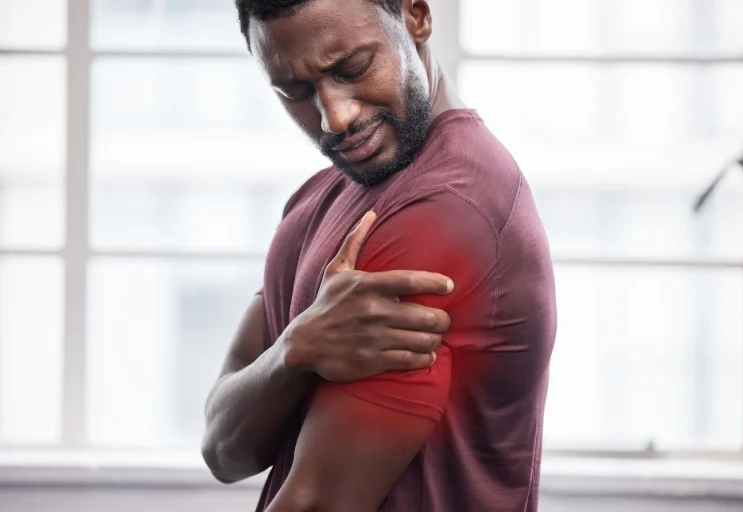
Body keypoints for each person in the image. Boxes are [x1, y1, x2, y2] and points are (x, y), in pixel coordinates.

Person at [201, 0, 557, 510]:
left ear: (416, 15)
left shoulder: (442, 212)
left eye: (352, 68)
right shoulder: (318, 197)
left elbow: (316, 504)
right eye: (296, 92)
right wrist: (294, 351)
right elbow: (223, 450)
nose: (335, 117)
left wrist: (288, 356)